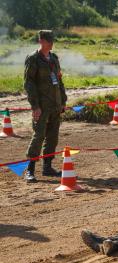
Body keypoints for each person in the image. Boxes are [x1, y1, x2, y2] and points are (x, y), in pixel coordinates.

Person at [24, 30, 67, 183]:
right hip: (41, 105)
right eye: (48, 40)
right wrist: (35, 106)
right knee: (39, 136)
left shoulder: (54, 58)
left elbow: (59, 80)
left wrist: (63, 101)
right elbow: (29, 84)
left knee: (52, 137)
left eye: (52, 40)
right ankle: (29, 170)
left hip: (55, 104)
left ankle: (47, 167)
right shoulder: (33, 59)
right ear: (41, 41)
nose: (51, 43)